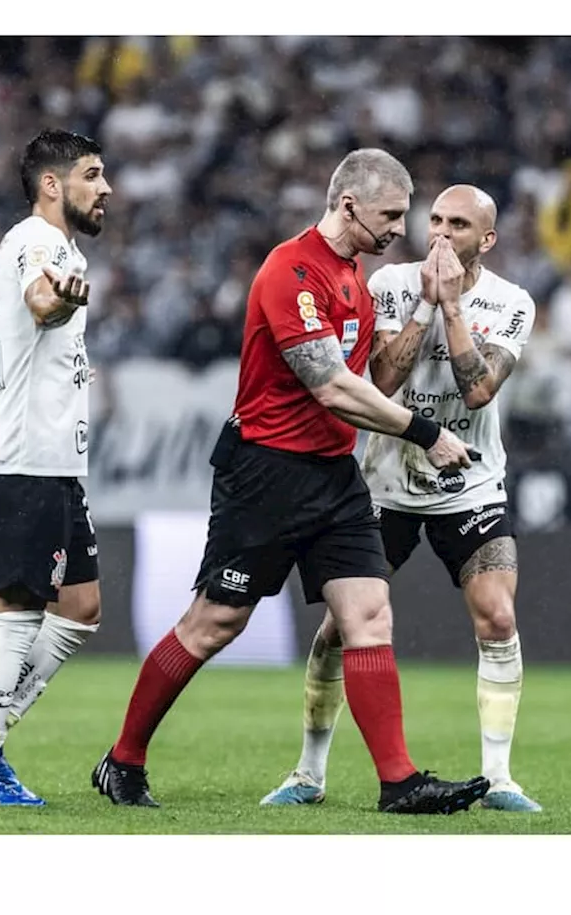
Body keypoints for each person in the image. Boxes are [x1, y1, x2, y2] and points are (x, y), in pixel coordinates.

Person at [91, 149, 490, 814]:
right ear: (349, 204)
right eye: (391, 214)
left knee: (367, 613)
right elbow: (332, 387)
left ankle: (399, 783)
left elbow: (374, 384)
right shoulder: (292, 272)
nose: (402, 229)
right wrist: (425, 432)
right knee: (215, 622)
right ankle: (123, 759)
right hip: (265, 473)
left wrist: (424, 310)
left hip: (333, 476)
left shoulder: (354, 281)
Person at [261, 185, 543, 813]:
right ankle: (308, 771)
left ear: (486, 240)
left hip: (470, 481)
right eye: (435, 220)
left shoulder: (512, 303)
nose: (440, 234)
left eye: (459, 225)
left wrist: (452, 311)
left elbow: (478, 391)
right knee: (339, 628)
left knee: (497, 616)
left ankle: (499, 777)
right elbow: (381, 381)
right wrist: (424, 305)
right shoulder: (388, 283)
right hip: (385, 481)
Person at [0, 129, 113, 806]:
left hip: (51, 465)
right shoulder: (37, 243)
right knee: (15, 617)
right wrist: (60, 300)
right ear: (53, 183)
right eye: (93, 175)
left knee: (79, 608)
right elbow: (42, 303)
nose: (106, 189)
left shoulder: (58, 247)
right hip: (20, 462)